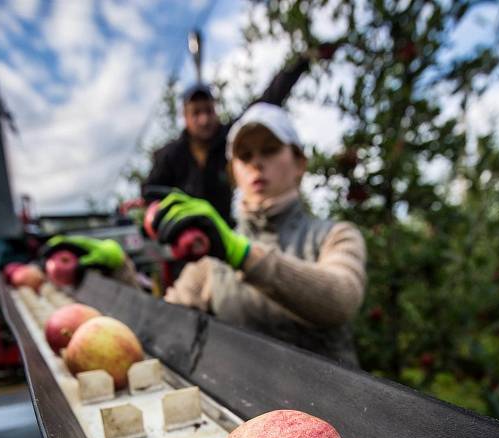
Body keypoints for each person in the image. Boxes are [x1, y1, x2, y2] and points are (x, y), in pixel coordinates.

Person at [151, 103, 367, 367]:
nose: (256, 162)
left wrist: (242, 254)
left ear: (299, 163)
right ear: (234, 174)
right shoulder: (211, 261)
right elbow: (165, 325)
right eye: (244, 156)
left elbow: (341, 299)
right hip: (240, 406)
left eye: (270, 149)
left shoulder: (335, 235)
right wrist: (119, 275)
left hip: (327, 405)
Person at [141, 45, 338, 224]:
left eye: (209, 111)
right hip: (183, 239)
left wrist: (301, 62)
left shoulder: (230, 137)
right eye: (196, 113)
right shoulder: (170, 155)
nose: (204, 119)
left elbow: (268, 100)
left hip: (225, 234)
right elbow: (150, 193)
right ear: (185, 116)